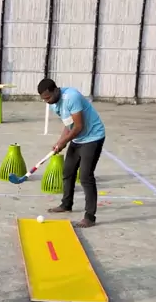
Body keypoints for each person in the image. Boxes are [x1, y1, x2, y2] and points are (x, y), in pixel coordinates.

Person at [37, 79, 106, 228]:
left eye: (48, 97)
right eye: (44, 99)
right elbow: (69, 125)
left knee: (85, 177)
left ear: (56, 90)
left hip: (93, 137)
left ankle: (90, 217)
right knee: (68, 171)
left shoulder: (71, 97)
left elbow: (79, 126)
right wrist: (59, 142)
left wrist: (64, 142)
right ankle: (66, 204)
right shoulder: (54, 104)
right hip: (78, 138)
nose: (47, 101)